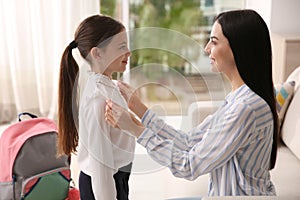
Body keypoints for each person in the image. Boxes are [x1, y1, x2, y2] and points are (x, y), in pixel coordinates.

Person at [105, 9, 279, 196]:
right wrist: (138, 108)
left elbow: (188, 165)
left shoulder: (245, 108)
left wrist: (135, 129)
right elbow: (188, 142)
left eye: (214, 41)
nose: (206, 49)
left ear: (239, 48)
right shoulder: (238, 99)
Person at [57, 15, 135, 200]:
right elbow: (101, 166)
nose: (129, 52)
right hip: (103, 184)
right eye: (121, 47)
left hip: (117, 177)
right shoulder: (97, 100)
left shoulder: (110, 86)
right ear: (97, 54)